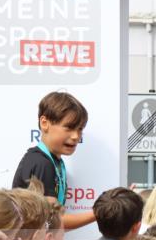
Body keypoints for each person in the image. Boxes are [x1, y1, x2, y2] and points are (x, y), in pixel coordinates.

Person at [11, 91, 96, 231]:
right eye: (69, 127)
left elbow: (53, 225)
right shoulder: (41, 163)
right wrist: (99, 213)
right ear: (44, 123)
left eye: (80, 129)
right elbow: (53, 220)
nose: (76, 136)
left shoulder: (52, 162)